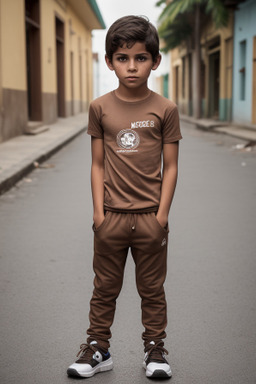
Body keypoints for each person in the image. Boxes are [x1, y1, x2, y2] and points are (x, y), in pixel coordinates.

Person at [67, 15, 182, 379]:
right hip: (111, 218)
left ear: (155, 61)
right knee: (104, 288)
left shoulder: (165, 109)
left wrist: (161, 216)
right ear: (109, 61)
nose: (132, 66)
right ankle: (98, 349)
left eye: (141, 58)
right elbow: (97, 164)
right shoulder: (100, 107)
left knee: (152, 290)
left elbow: (172, 166)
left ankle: (155, 351)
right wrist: (99, 215)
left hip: (150, 218)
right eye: (122, 58)